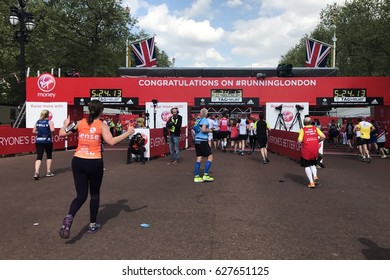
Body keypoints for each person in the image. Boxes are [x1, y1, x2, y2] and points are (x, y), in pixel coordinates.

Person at [58, 100, 135, 239]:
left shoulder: (79, 123)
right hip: (94, 162)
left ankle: (69, 216)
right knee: (94, 194)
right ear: (101, 111)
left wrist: (65, 124)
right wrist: (128, 132)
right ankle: (92, 224)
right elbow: (111, 141)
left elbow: (62, 133)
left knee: (81, 196)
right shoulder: (102, 125)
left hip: (78, 161)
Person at [298, 116, 325, 188]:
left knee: (307, 165)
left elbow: (300, 140)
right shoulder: (315, 128)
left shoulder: (303, 130)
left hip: (307, 149)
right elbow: (324, 136)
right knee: (313, 163)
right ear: (311, 122)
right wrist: (318, 141)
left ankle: (311, 182)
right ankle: (315, 176)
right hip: (315, 148)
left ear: (304, 123)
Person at [32, 109, 55, 180]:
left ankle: (36, 172)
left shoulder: (38, 122)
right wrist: (51, 134)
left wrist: (40, 133)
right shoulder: (49, 122)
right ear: (48, 115)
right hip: (47, 140)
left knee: (39, 156)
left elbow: (34, 131)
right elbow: (52, 130)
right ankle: (48, 171)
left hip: (39, 141)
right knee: (49, 155)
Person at [193, 108, 214, 183]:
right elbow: (204, 129)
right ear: (207, 113)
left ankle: (196, 176)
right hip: (203, 140)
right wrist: (210, 130)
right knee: (210, 157)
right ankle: (205, 175)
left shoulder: (198, 120)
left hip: (197, 140)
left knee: (199, 158)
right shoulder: (205, 120)